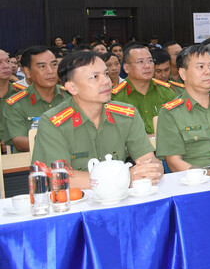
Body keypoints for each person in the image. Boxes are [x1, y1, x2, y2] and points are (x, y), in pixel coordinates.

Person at [32, 51, 162, 186]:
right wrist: (123, 178)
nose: (107, 81)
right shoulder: (53, 122)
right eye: (95, 77)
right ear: (72, 87)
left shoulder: (126, 115)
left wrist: (153, 169)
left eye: (106, 74)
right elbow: (60, 178)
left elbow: (148, 160)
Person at [3, 47, 67, 152]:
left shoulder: (71, 96)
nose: (50, 71)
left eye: (54, 65)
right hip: (33, 163)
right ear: (27, 71)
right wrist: (59, 143)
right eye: (42, 66)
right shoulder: (16, 104)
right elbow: (19, 141)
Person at [111, 44, 177, 134]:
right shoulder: (116, 97)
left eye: (150, 61)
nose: (147, 66)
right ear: (126, 68)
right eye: (140, 62)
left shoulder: (165, 91)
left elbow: (176, 125)